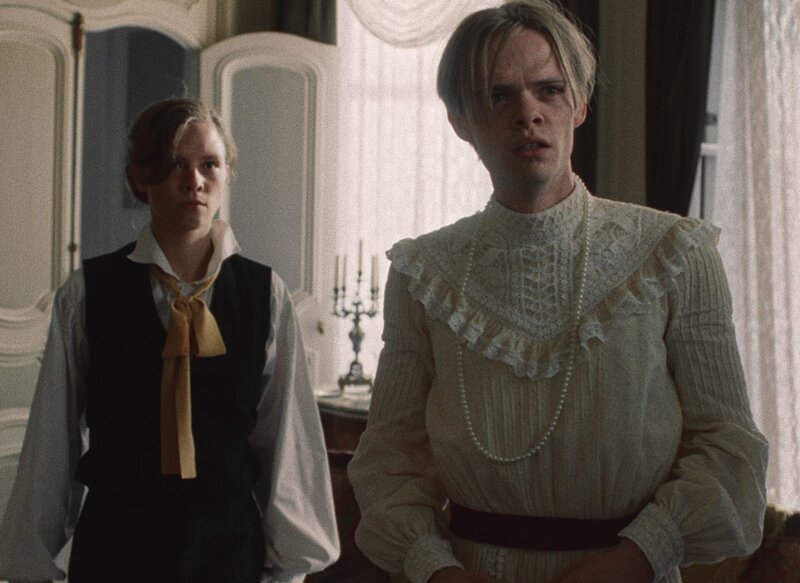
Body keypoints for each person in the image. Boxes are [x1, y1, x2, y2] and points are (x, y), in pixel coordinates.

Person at [347, 2, 768, 582]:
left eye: (549, 90)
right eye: (499, 96)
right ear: (460, 120)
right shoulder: (425, 272)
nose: (528, 114)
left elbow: (727, 445)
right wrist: (436, 569)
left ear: (580, 104)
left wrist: (638, 556)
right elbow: (389, 456)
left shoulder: (675, 254)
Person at [0, 98, 339, 583]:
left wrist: (291, 567)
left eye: (209, 164)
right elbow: (53, 438)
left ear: (227, 174)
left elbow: (285, 437)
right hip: (115, 552)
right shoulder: (89, 292)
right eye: (175, 163)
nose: (193, 180)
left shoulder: (265, 294)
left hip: (230, 553)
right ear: (141, 176)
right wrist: (31, 565)